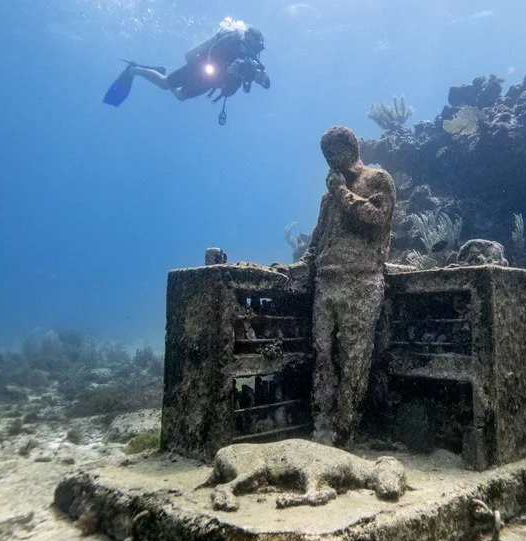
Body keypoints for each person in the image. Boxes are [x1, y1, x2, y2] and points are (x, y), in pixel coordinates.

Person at [292, 126, 396, 447]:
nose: (330, 160)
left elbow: (377, 216)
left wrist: (341, 192)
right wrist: (302, 264)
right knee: (321, 355)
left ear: (352, 149)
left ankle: (345, 433)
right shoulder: (328, 197)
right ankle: (321, 427)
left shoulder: (377, 180)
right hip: (326, 282)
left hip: (362, 281)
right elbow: (318, 236)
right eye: (326, 155)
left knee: (355, 357)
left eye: (335, 153)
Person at [102, 17, 270, 108]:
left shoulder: (253, 63)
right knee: (164, 84)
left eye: (259, 48)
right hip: (200, 67)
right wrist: (227, 67)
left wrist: (259, 78)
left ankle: (158, 72)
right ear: (247, 39)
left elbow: (233, 90)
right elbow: (210, 54)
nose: (256, 51)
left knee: (180, 97)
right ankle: (134, 69)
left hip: (210, 82)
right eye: (255, 46)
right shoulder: (232, 42)